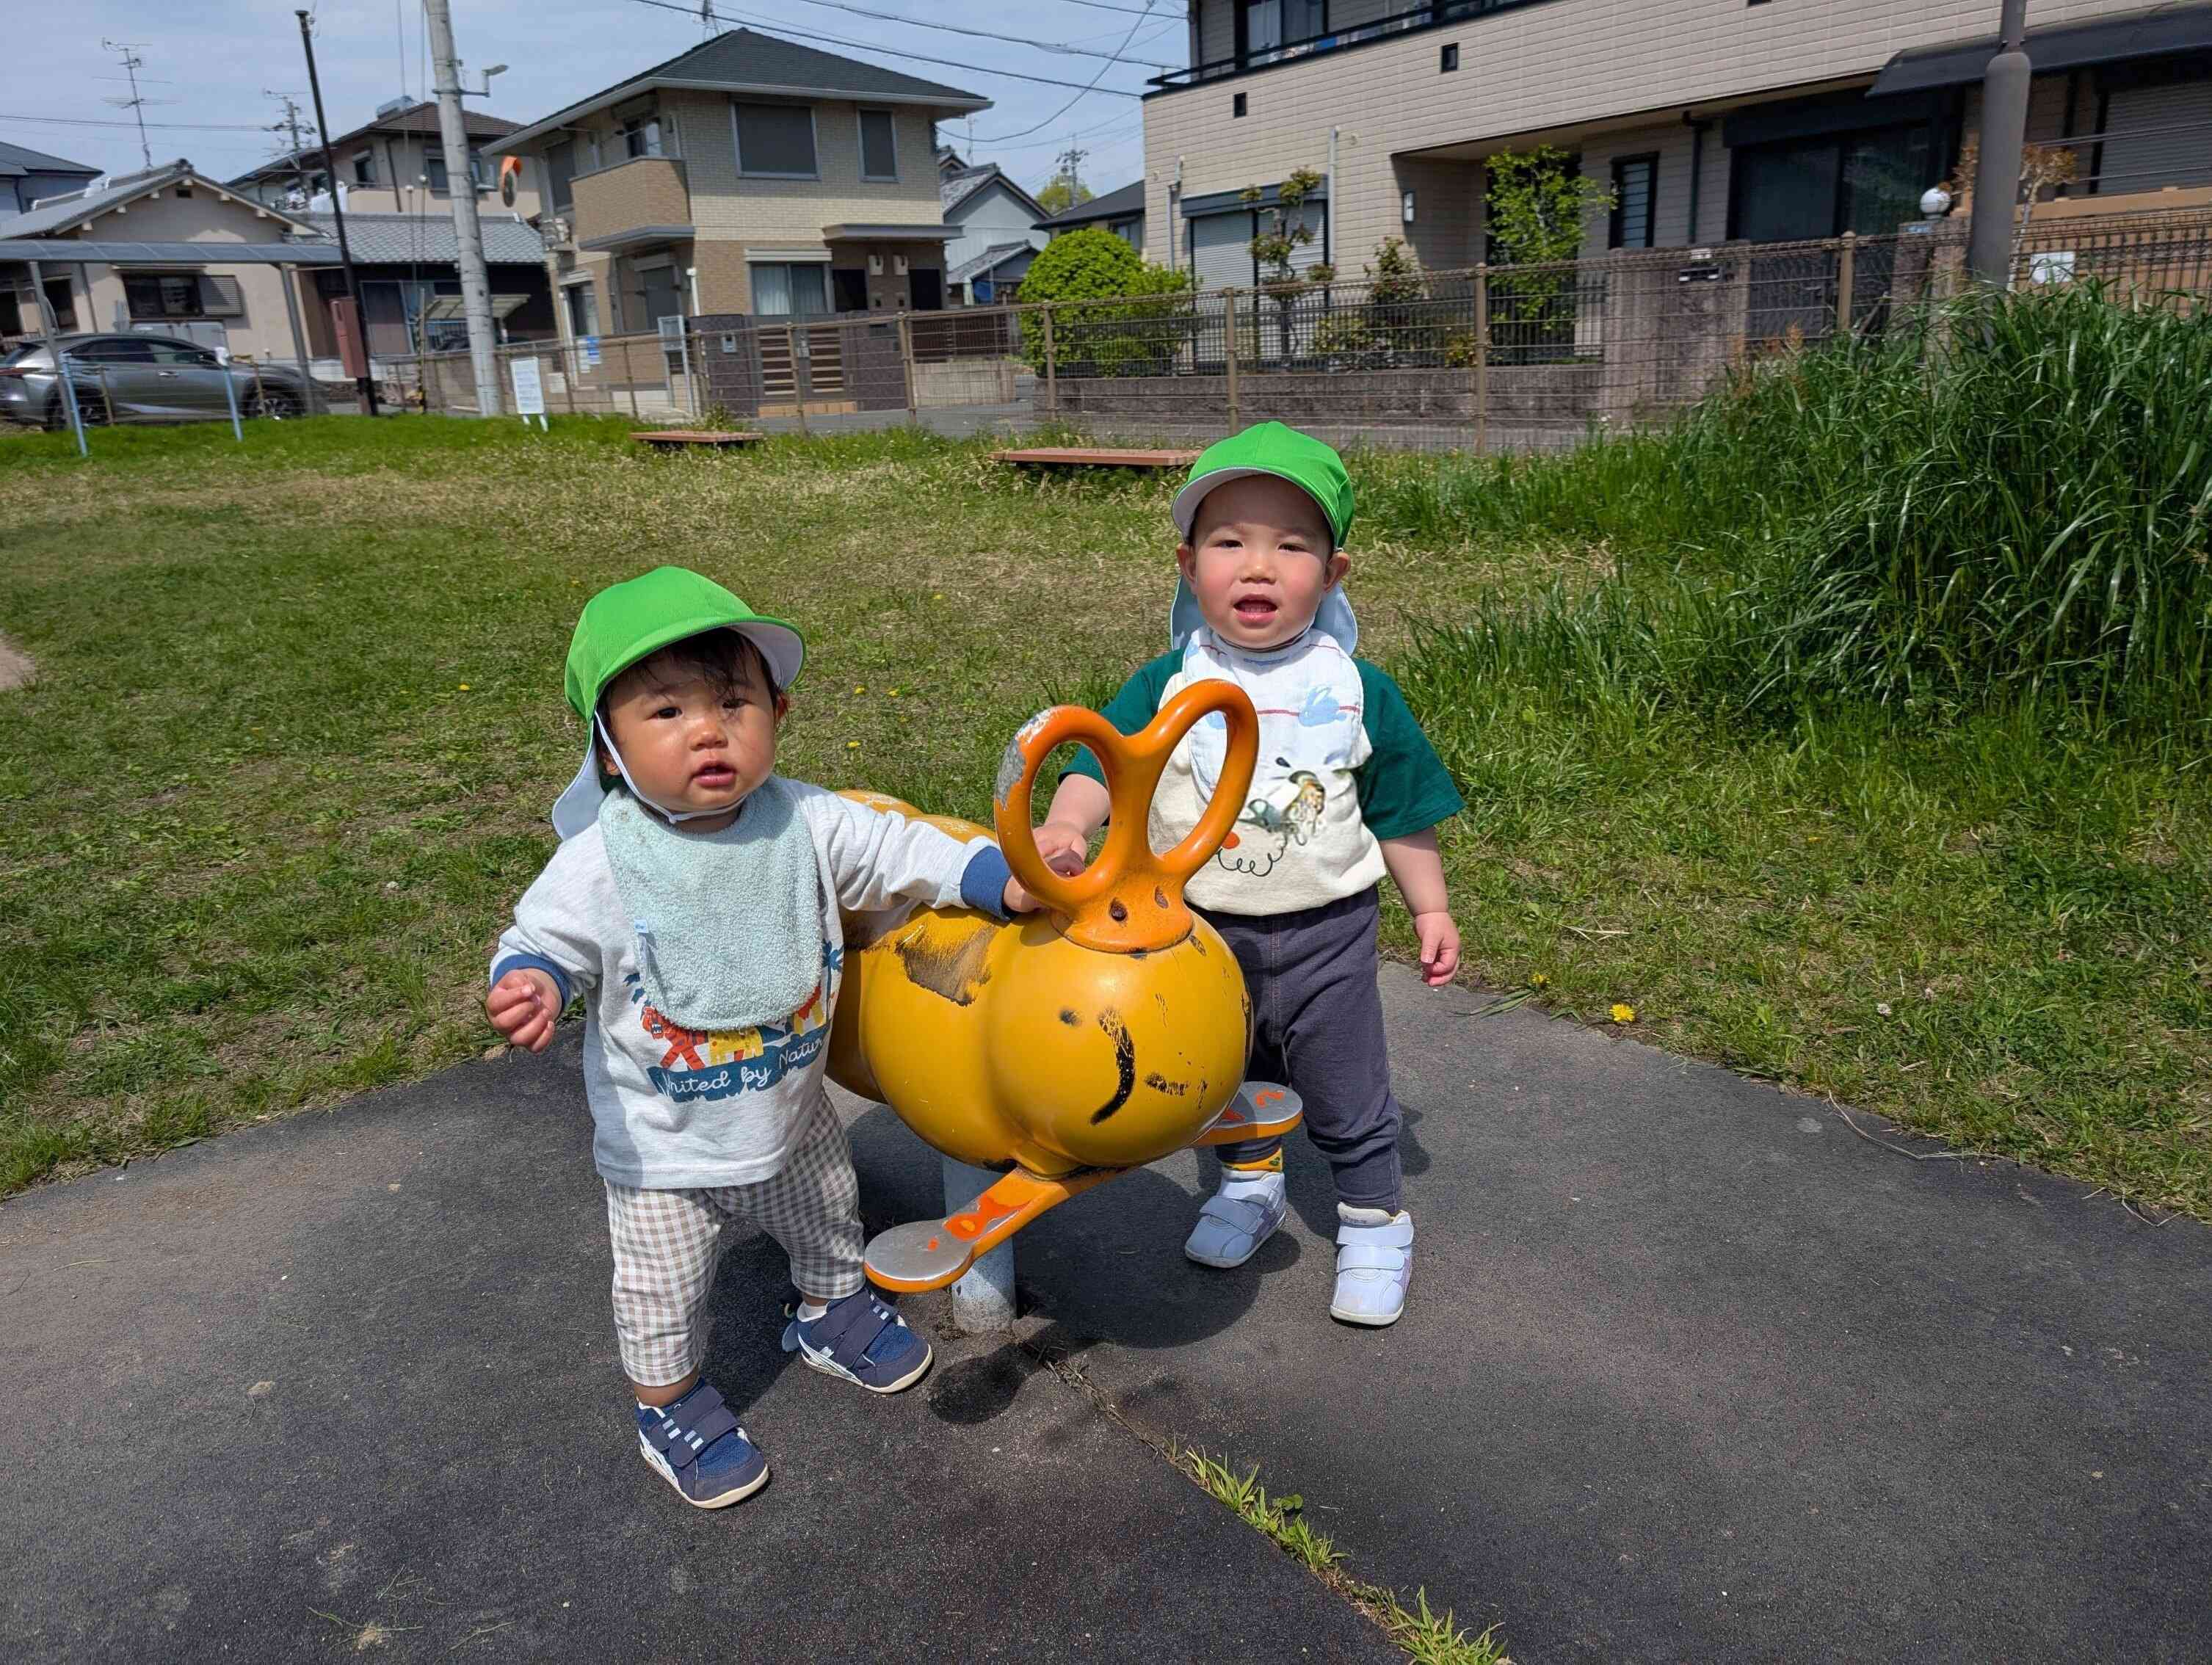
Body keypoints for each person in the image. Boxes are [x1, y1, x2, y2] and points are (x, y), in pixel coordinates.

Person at [487, 566, 1035, 1508]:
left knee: (829, 1214)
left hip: (790, 1111)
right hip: (665, 1149)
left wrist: (993, 880)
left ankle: (828, 1312)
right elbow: (539, 937)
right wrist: (529, 980)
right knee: (661, 1292)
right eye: (666, 712)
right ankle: (667, 1402)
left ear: (777, 713)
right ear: (609, 752)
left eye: (734, 702)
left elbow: (902, 852)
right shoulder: (602, 863)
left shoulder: (808, 823)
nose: (709, 729)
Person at [1032, 424, 1462, 1327]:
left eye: (1289, 546)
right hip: (1198, 931)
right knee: (1224, 1081)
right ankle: (1251, 1188)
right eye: (1230, 543)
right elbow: (1102, 766)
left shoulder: (1357, 690)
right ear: (1190, 567)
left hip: (1327, 933)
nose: (1257, 567)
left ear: (1334, 574)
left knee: (1347, 1089)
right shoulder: (1168, 681)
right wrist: (1068, 824)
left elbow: (1400, 810)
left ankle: (1375, 1218)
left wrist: (1430, 906)